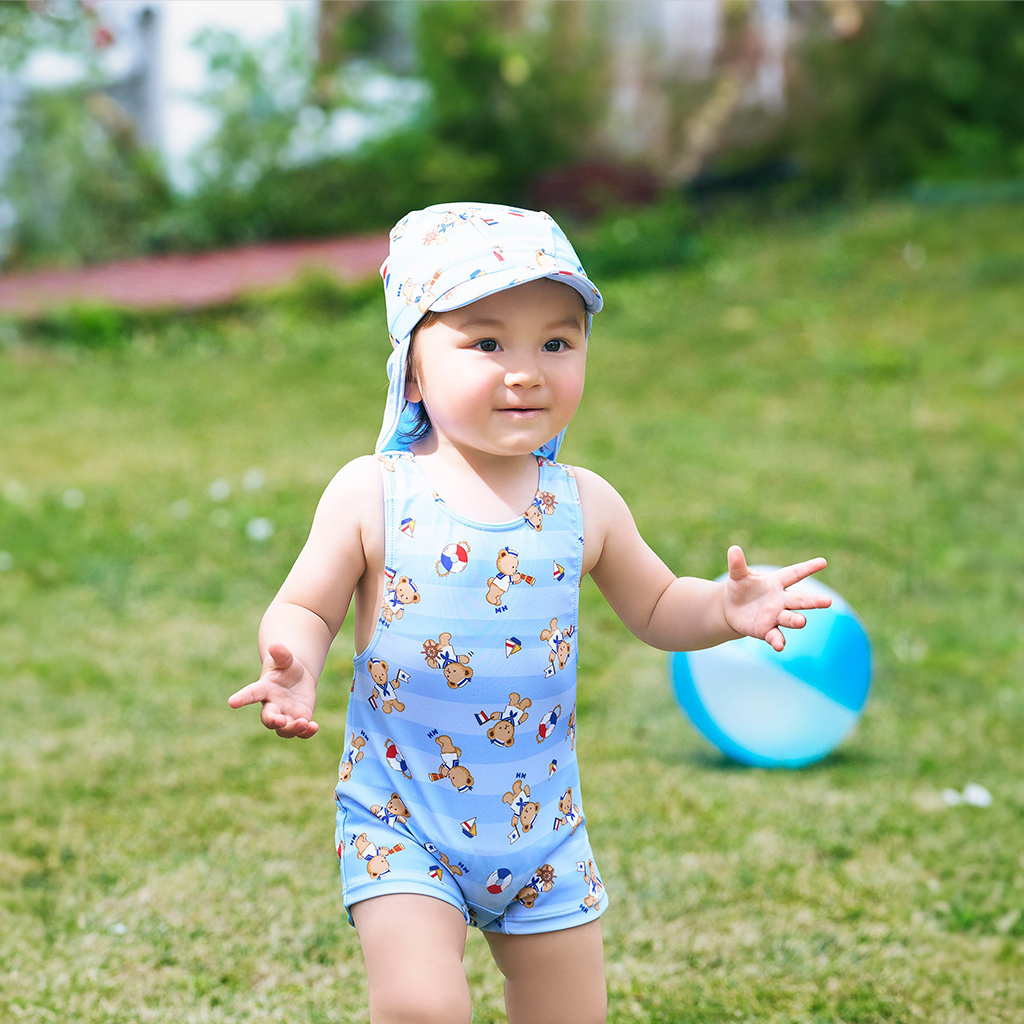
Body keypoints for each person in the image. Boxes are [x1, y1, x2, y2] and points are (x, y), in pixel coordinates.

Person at [228, 202, 831, 1024]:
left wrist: (723, 608)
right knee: (422, 1007)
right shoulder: (375, 491)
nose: (527, 370)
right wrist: (289, 660)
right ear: (412, 368)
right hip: (402, 819)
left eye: (557, 341)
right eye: (486, 343)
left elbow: (657, 605)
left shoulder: (585, 504)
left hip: (543, 835)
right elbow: (307, 604)